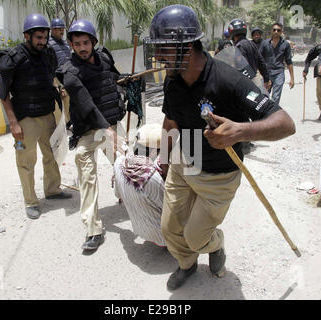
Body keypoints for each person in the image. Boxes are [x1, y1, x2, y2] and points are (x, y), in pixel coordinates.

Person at [145, 4, 296, 291]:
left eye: (164, 49)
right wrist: (164, 161)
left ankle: (215, 245)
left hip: (219, 176)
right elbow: (170, 121)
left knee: (196, 237)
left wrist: (241, 130)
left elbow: (285, 123)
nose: (158, 57)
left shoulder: (228, 80)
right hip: (183, 166)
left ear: (186, 47)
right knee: (170, 230)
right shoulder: (173, 81)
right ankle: (187, 265)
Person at [57, 19, 126, 251]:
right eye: (77, 44)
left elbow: (114, 78)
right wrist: (106, 130)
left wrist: (127, 84)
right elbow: (86, 104)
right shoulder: (69, 72)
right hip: (89, 131)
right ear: (71, 45)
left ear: (93, 42)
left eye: (86, 42)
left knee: (124, 166)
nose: (82, 47)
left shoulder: (104, 58)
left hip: (111, 124)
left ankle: (124, 195)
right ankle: (93, 229)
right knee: (87, 178)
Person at [0, 13, 72, 219]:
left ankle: (53, 190)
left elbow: (51, 77)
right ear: (27, 36)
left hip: (48, 114)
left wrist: (59, 87)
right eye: (38, 37)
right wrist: (13, 123)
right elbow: (3, 94)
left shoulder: (48, 54)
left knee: (52, 155)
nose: (42, 41)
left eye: (44, 37)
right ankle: (30, 201)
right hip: (25, 119)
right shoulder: (12, 59)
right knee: (26, 160)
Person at [113, 123, 166, 247]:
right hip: (162, 237)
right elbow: (170, 210)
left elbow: (117, 194)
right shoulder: (152, 177)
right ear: (153, 153)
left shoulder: (119, 162)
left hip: (139, 229)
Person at [228, 19, 271, 91]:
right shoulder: (252, 44)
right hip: (253, 82)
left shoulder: (239, 47)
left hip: (243, 84)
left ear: (231, 33)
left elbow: (242, 67)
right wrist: (266, 79)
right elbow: (261, 62)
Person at [265, 22, 295, 106]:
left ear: (281, 32)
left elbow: (289, 61)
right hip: (267, 74)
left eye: (278, 30)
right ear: (271, 31)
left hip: (279, 73)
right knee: (264, 96)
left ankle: (272, 115)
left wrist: (292, 78)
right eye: (274, 30)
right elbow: (260, 60)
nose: (276, 32)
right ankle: (264, 115)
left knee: (276, 97)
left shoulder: (285, 44)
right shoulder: (265, 43)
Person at [49, 17, 72, 123]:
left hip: (67, 75)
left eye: (62, 28)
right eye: (58, 29)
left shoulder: (65, 44)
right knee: (63, 99)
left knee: (70, 100)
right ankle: (64, 124)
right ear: (52, 30)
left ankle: (70, 121)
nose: (61, 31)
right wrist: (55, 83)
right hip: (56, 77)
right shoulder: (48, 45)